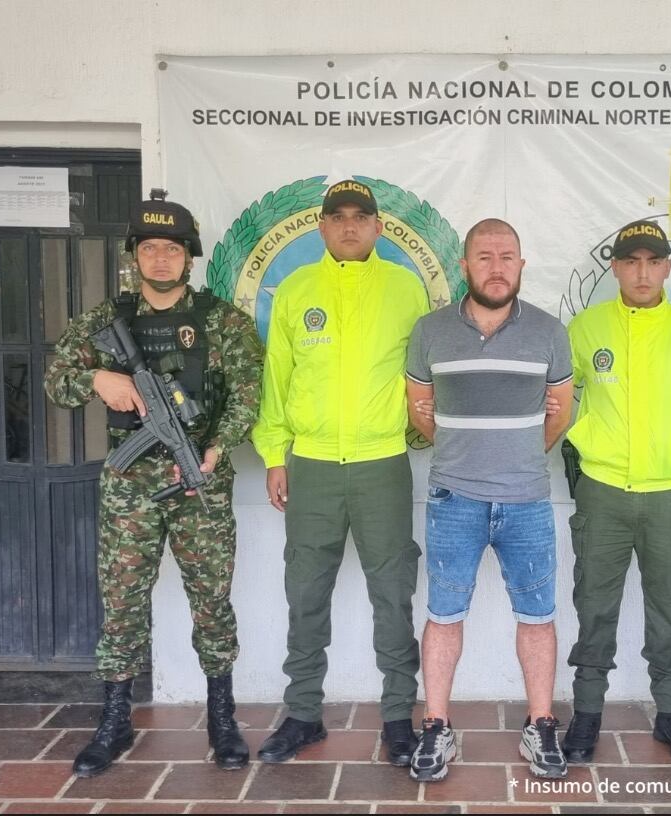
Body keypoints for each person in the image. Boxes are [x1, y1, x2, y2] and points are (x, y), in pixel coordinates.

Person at [45, 189, 264, 776]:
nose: (161, 259)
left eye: (172, 249)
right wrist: (100, 379)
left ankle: (222, 717)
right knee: (122, 604)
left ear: (189, 257)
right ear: (134, 256)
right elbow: (57, 381)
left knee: (211, 602)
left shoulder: (222, 322)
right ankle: (115, 721)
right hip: (128, 490)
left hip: (201, 486)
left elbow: (248, 397)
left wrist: (213, 452)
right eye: (150, 249)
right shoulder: (102, 321)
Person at [252, 179, 428, 768]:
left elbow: (426, 380)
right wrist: (276, 454)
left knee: (392, 593)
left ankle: (399, 718)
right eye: (338, 217)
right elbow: (277, 378)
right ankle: (302, 715)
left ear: (378, 227)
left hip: (382, 464)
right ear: (321, 228)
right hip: (314, 466)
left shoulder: (406, 289)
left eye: (361, 216)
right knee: (305, 593)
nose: (350, 226)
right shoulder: (297, 289)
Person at [405, 218, 574, 781]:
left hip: (527, 500)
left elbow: (560, 411)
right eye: (484, 256)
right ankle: (436, 728)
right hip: (453, 498)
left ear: (522, 265)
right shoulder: (430, 331)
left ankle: (541, 724)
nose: (496, 266)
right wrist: (464, 450)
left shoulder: (550, 332)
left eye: (507, 256)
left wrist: (519, 453)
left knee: (539, 616)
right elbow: (420, 409)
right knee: (443, 614)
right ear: (464, 265)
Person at [560, 219, 671, 765]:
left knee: (669, 609)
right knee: (594, 606)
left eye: (651, 262)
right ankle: (587, 716)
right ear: (614, 267)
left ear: (666, 267)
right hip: (604, 493)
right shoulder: (583, 330)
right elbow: (560, 403)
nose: (641, 272)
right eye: (630, 261)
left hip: (669, 496)